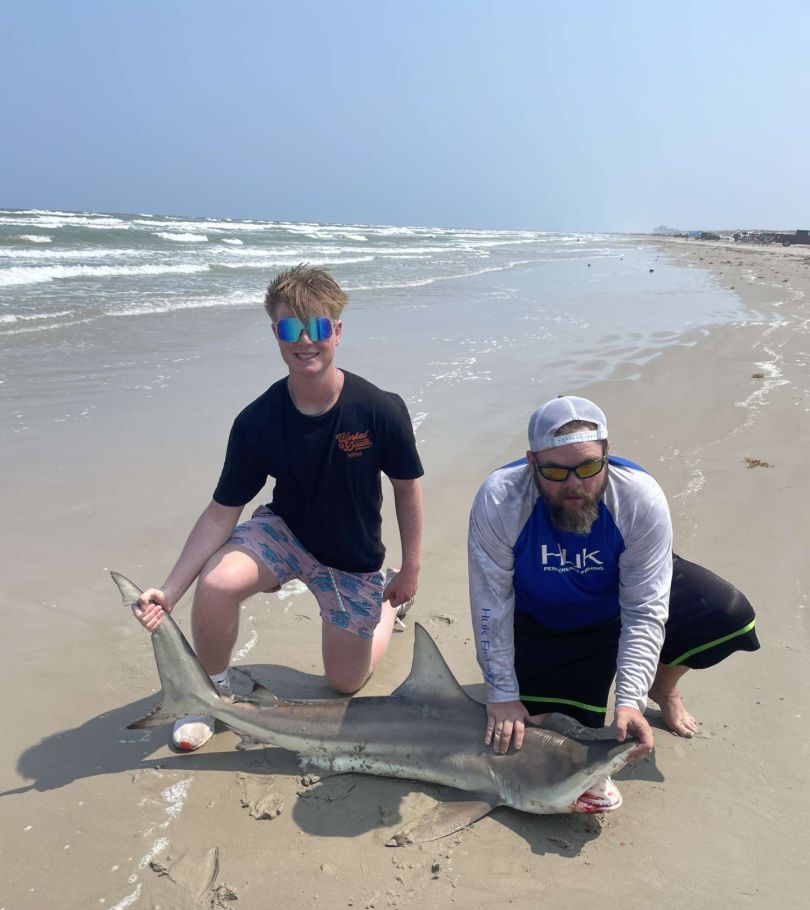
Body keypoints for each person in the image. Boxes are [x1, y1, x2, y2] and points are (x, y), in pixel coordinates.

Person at [134, 264, 423, 751]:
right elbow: (222, 511)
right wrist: (170, 590)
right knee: (217, 582)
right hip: (285, 532)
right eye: (291, 328)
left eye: (317, 326)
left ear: (337, 331)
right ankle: (211, 694)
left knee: (345, 683)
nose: (305, 340)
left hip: (351, 554)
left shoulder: (379, 409)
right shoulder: (257, 420)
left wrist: (411, 569)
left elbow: (406, 488)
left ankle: (385, 605)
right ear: (275, 334)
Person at [468, 395, 758, 811]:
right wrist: (501, 692)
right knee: (557, 727)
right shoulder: (500, 499)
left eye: (589, 467)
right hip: (545, 620)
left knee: (729, 614)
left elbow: (644, 608)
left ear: (608, 454)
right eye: (555, 471)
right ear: (531, 463)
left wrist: (630, 699)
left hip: (618, 605)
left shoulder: (639, 497)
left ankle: (662, 685)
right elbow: (490, 604)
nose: (574, 484)